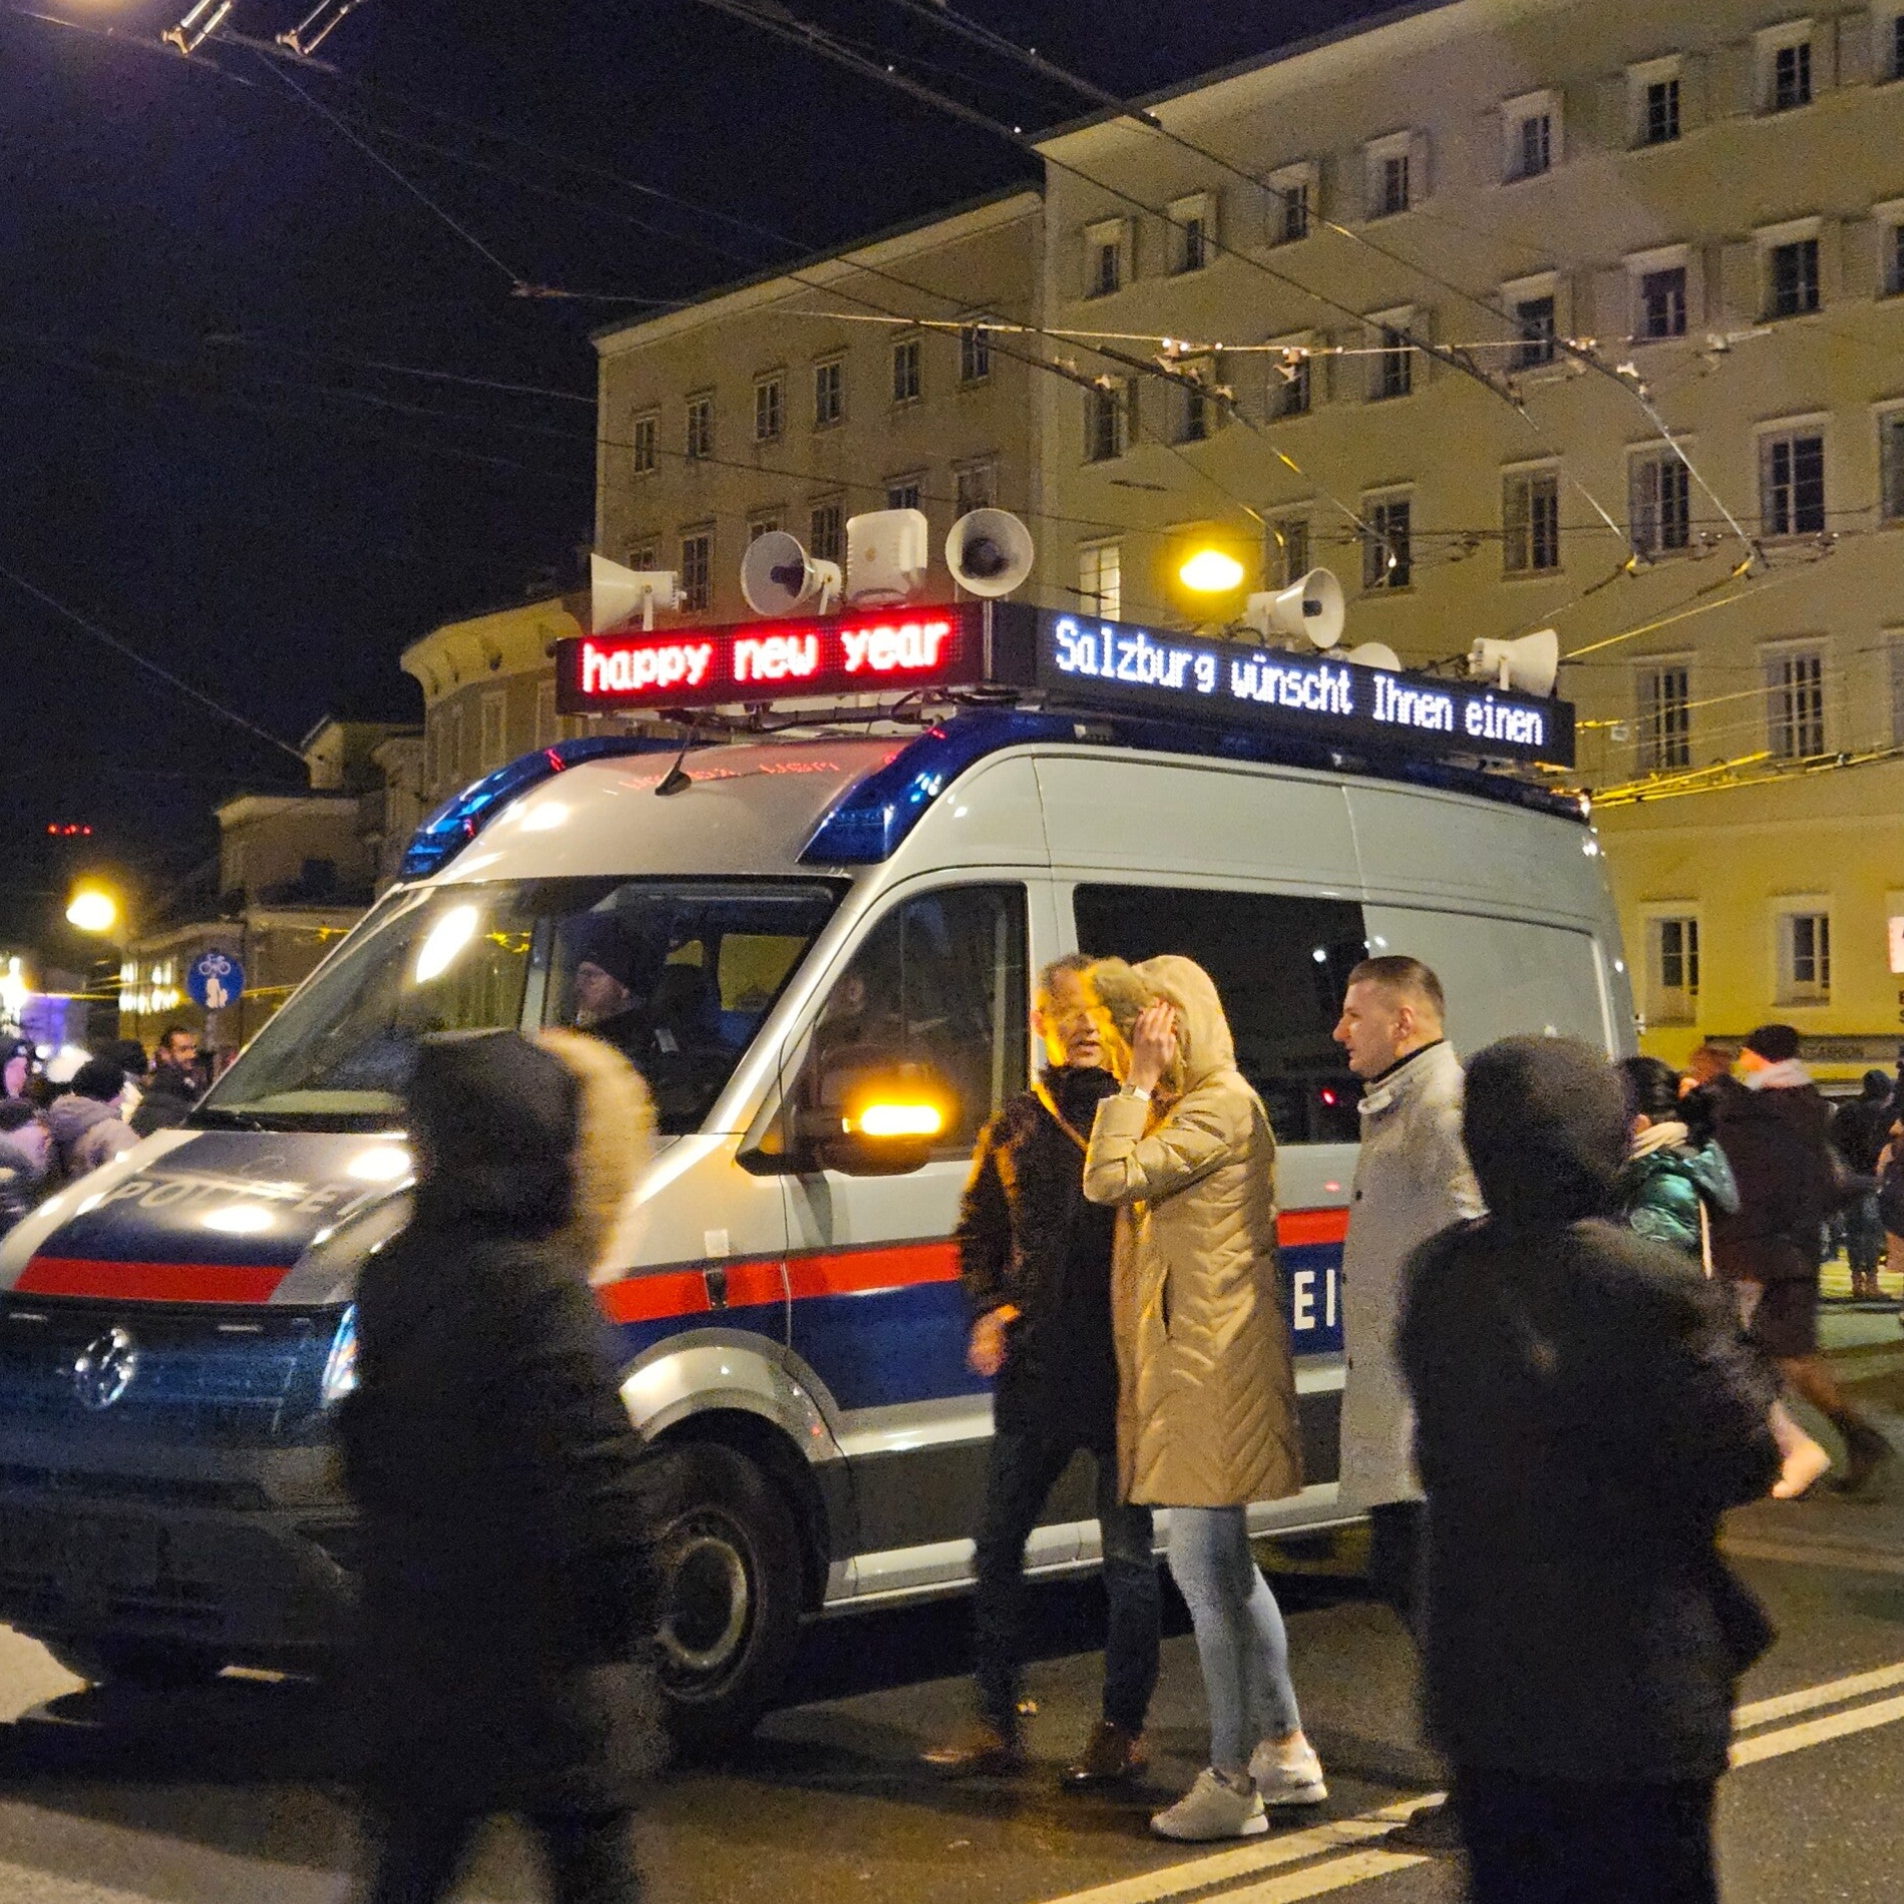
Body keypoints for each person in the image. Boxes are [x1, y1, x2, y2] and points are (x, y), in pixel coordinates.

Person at [1399, 1036, 1779, 1904]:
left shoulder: (1445, 1274)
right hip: (1636, 1689)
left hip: (1489, 1686)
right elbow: (1740, 1455)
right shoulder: (1648, 1283)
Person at [338, 1027, 662, 1904]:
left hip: (418, 1652)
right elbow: (600, 1480)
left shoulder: (397, 1271)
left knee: (407, 1872)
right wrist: (629, 1615)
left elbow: (366, 1444)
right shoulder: (537, 1285)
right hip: (545, 1665)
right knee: (594, 1877)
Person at [1082, 956, 1324, 1843]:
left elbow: (1109, 1178)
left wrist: (1137, 1086)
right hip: (1201, 1368)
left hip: (1211, 1371)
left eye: (1135, 1038)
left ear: (1170, 1024)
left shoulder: (1217, 1104)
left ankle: (1232, 1782)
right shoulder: (1203, 1106)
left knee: (1204, 1576)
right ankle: (1285, 1748)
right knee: (1227, 1570)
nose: (1122, 1057)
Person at [924, 954, 1160, 1785]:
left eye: (1097, 1009)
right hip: (1037, 1371)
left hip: (1124, 1369)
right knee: (997, 1546)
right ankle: (994, 1718)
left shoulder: (1151, 1116)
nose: (1084, 1023)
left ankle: (1120, 1730)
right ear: (1044, 1025)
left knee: (1127, 1561)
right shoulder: (1016, 1124)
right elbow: (976, 1232)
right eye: (1067, 1010)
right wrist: (989, 1306)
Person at [1330, 956, 1483, 1629]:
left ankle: (1494, 1724)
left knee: (1415, 1576)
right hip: (1405, 1385)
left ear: (1403, 1022)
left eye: (1353, 1014)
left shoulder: (1439, 1105)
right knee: (1409, 1575)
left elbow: (1472, 1234)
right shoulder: (1402, 1100)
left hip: (1427, 1395)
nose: (1339, 1031)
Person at [1618, 1056, 1830, 1502]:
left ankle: (1793, 1451)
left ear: (1636, 1121)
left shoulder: (1664, 1177)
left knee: (1721, 1378)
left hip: (1711, 1288)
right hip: (1731, 1279)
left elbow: (1650, 1261)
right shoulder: (1680, 1158)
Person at [1709, 1024, 1892, 1493]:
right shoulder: (1799, 1104)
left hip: (1770, 1250)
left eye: (1746, 1056)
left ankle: (1802, 1451)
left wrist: (1719, 1086)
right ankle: (1846, 1441)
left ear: (1756, 1057)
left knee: (1767, 1358)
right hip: (1787, 1247)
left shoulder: (1764, 1109)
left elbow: (1758, 1178)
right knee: (1787, 1359)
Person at [1830, 1071, 1894, 1301]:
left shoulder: (1847, 1111)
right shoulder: (1885, 1112)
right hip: (1878, 1178)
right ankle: (1872, 1281)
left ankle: (1857, 1281)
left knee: (1855, 1230)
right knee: (1873, 1230)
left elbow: (1832, 1144)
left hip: (1851, 1179)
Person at [44, 1059, 139, 1180]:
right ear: (110, 1092)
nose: (124, 1097)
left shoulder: (61, 1126)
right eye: (121, 1090)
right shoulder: (114, 1132)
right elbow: (129, 1178)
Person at [133, 1025, 204, 1137]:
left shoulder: (185, 1085)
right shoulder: (167, 1088)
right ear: (165, 1053)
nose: (192, 1055)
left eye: (193, 1048)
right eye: (183, 1049)